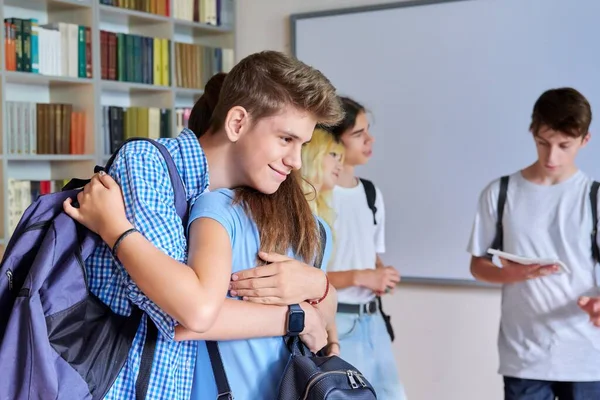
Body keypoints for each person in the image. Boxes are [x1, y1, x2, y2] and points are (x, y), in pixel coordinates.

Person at [63, 51, 343, 400]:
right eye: (286, 139)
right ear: (237, 123)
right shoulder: (150, 164)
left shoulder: (240, 204)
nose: (296, 160)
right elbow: (191, 312)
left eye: (303, 144)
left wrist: (319, 287)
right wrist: (296, 318)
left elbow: (322, 320)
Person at [467, 87, 600, 399]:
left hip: (586, 355)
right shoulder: (499, 193)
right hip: (523, 356)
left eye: (564, 145)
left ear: (585, 140)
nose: (552, 156)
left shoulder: (594, 198)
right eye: (543, 143)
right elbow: (477, 265)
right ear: (532, 132)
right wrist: (510, 274)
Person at [326, 97, 406, 400]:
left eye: (367, 131)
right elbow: (310, 274)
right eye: (359, 133)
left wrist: (381, 273)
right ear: (333, 140)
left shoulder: (371, 193)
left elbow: (369, 251)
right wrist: (361, 276)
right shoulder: (318, 196)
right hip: (339, 323)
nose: (369, 140)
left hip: (373, 320)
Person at [299, 127, 346, 356]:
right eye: (333, 155)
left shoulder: (322, 219)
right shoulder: (293, 216)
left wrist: (333, 343)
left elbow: (323, 287)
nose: (340, 165)